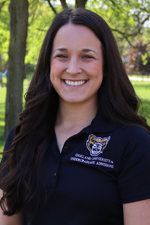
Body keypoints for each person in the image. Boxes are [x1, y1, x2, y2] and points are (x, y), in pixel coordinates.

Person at [0, 8, 150, 225]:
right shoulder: (22, 136)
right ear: (48, 63)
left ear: (106, 65)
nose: (72, 68)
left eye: (87, 56)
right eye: (62, 55)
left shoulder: (135, 144)